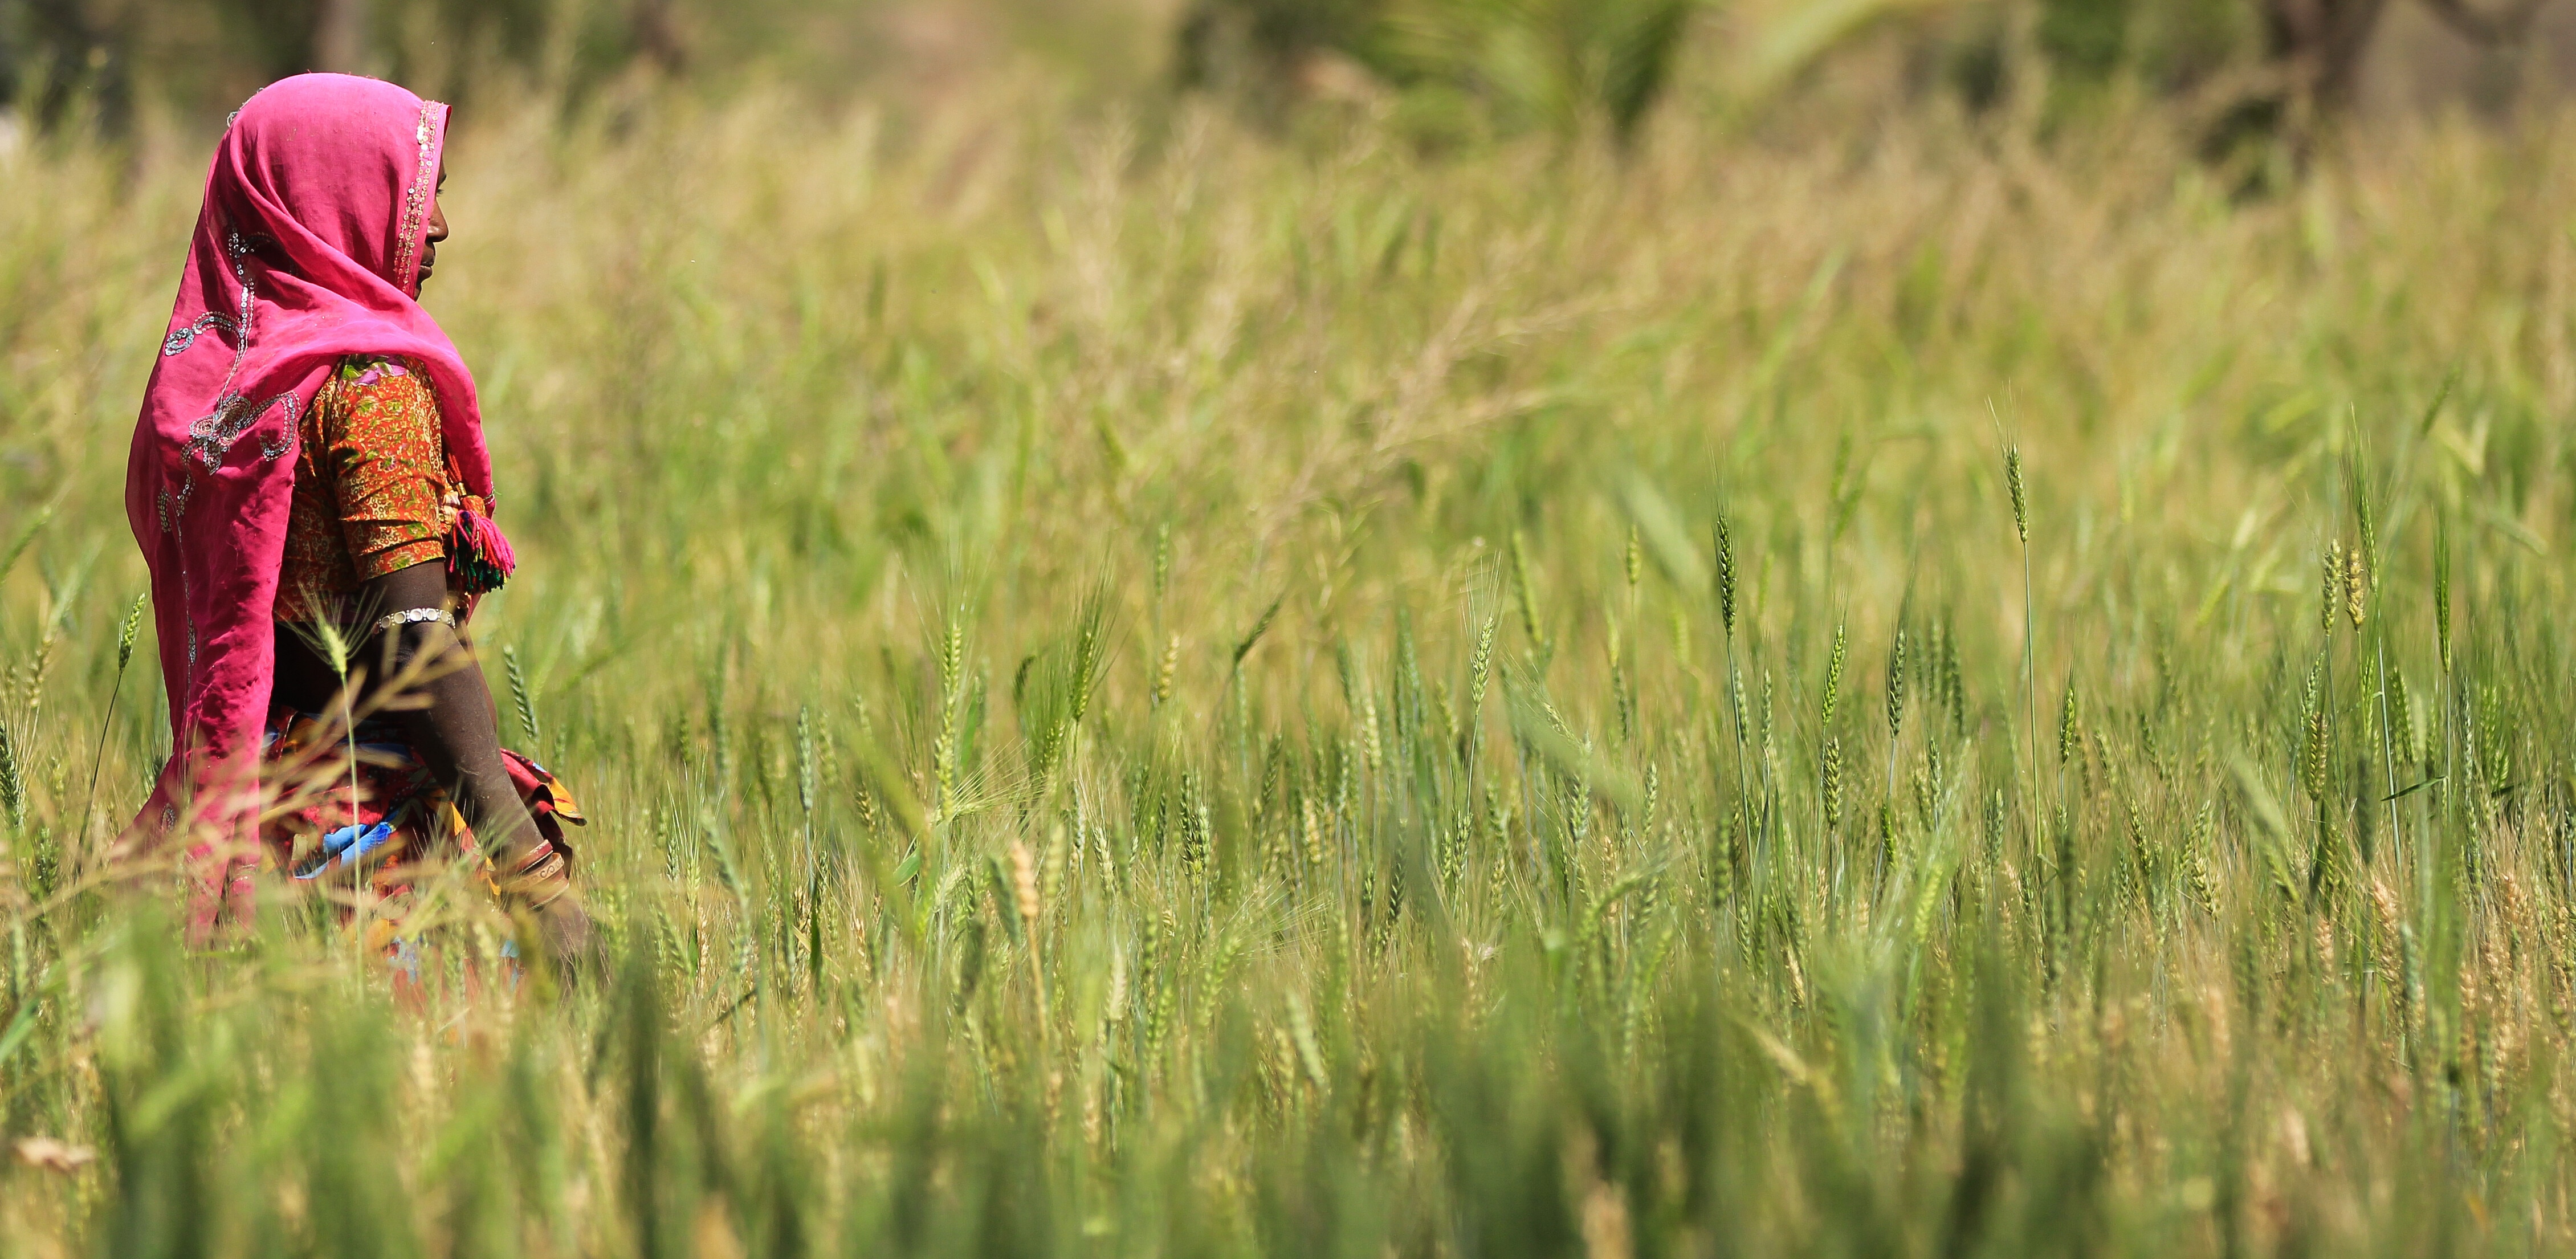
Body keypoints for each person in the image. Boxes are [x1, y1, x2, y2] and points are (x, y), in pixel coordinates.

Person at [124, 73, 598, 972]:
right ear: (333, 196)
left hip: (251, 805)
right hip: (367, 835)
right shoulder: (372, 385)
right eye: (420, 194)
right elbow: (412, 645)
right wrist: (535, 878)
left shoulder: (224, 387)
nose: (439, 227)